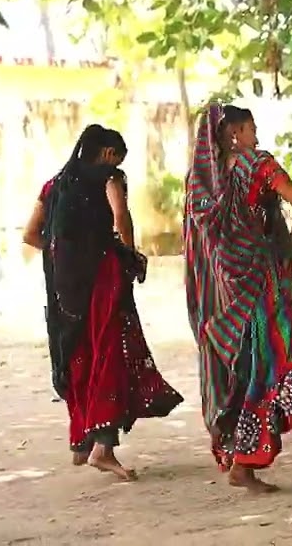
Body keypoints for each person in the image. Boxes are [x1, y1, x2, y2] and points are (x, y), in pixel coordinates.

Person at [183, 103, 292, 493]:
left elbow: (202, 242)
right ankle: (246, 461)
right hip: (263, 280)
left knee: (250, 368)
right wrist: (289, 251)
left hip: (226, 291)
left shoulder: (202, 180)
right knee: (276, 363)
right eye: (251, 125)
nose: (255, 132)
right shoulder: (258, 164)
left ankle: (245, 457)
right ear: (235, 132)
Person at [22, 125, 182, 481]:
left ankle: (82, 442)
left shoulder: (55, 185)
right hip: (103, 286)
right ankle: (103, 448)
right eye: (118, 158)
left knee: (78, 358)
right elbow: (120, 217)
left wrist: (64, 263)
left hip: (65, 293)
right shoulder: (105, 181)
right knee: (110, 355)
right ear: (108, 154)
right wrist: (125, 257)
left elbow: (31, 234)